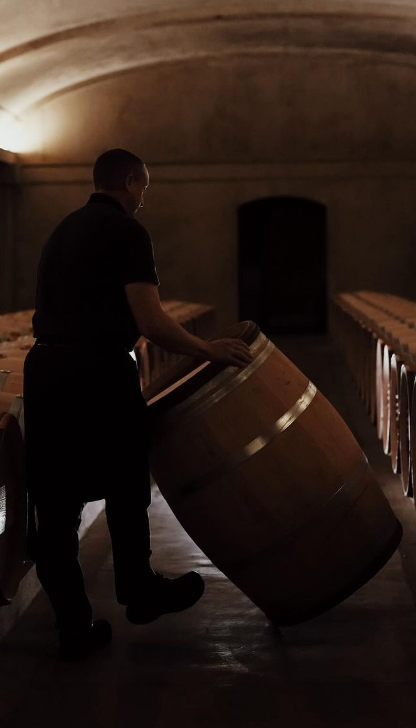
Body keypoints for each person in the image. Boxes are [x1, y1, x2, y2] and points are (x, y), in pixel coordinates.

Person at [23, 148, 253, 661]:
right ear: (129, 181)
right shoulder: (128, 232)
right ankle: (138, 588)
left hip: (44, 371)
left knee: (56, 508)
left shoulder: (61, 230)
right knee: (127, 483)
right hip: (98, 370)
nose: (143, 200)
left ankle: (73, 626)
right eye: (142, 188)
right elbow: (149, 322)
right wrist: (209, 349)